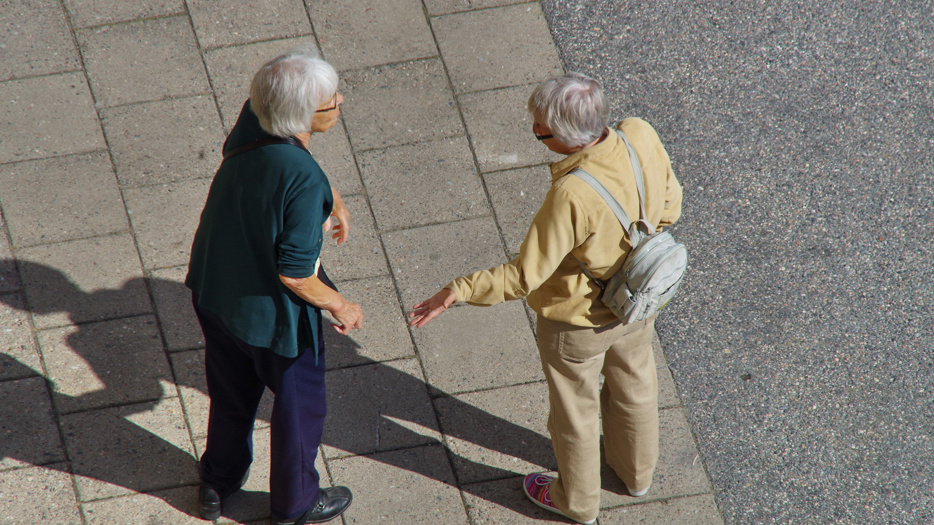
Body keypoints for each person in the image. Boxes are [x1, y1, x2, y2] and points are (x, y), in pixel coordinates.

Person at [408, 72, 683, 524]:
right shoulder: (640, 133)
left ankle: (577, 503)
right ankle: (636, 477)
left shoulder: (571, 193)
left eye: (541, 132)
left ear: (570, 140)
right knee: (636, 386)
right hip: (640, 298)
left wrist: (458, 290)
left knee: (574, 413)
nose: (536, 134)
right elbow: (671, 206)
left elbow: (523, 277)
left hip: (576, 323)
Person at [186, 46, 363, 525]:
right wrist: (341, 305)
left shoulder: (257, 116)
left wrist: (334, 200)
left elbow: (297, 157)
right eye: (331, 102)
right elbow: (295, 272)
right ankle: (295, 504)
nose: (340, 102)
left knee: (231, 392)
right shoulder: (302, 180)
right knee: (299, 409)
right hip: (272, 321)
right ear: (303, 114)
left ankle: (217, 482)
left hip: (215, 288)